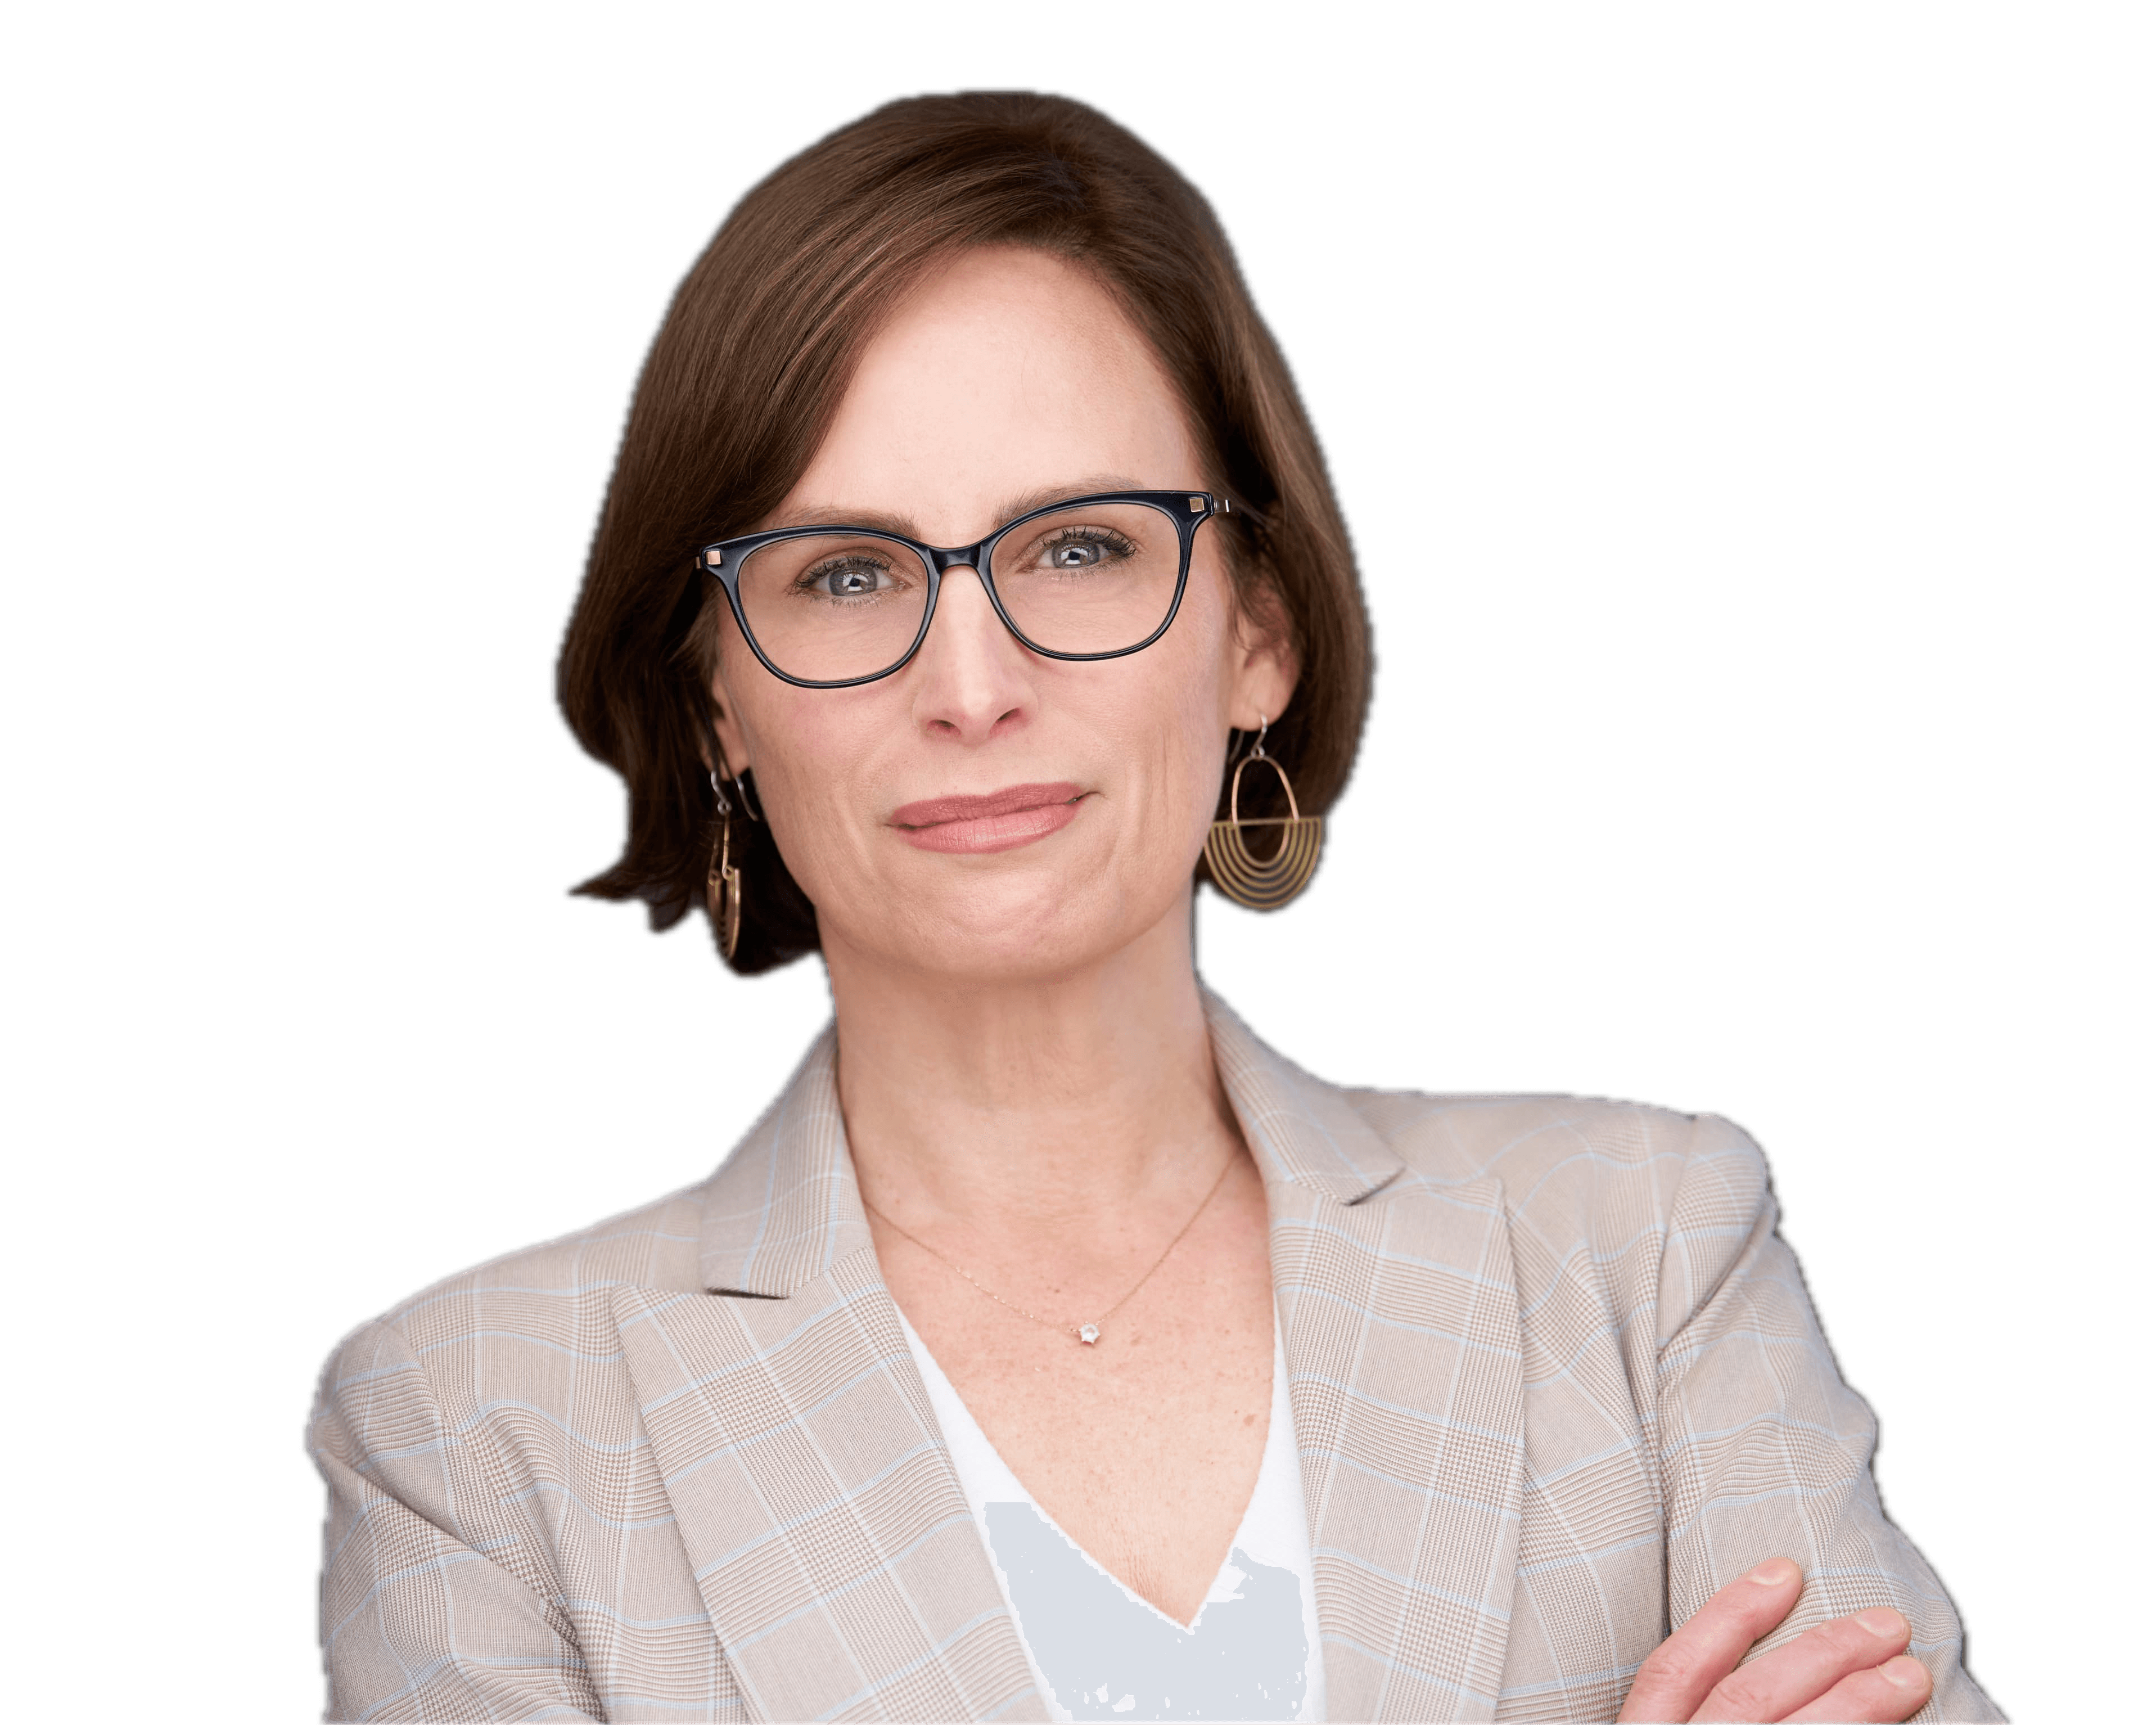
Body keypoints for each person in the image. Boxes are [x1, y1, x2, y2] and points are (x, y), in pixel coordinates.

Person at [306, 88, 2004, 1725]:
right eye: (842, 575)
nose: (971, 686)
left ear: (1257, 630)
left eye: (1082, 549)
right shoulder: (481, 1425)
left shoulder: (1640, 1255)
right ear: (719, 710)